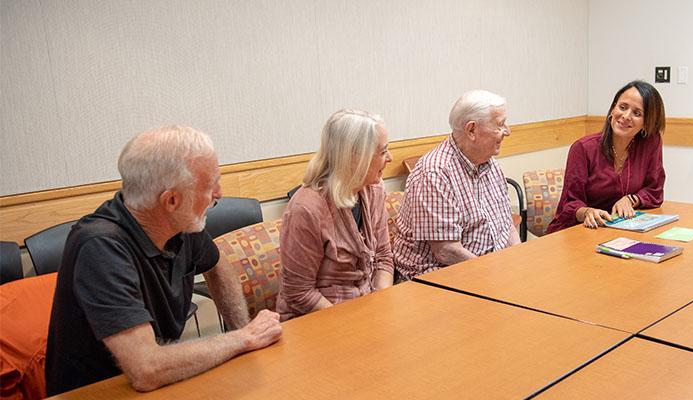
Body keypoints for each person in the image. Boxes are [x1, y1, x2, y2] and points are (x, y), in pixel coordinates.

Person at [45, 126, 282, 395]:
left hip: (160, 384)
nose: (219, 193)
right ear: (171, 200)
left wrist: (242, 327)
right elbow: (147, 369)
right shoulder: (100, 247)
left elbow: (217, 266)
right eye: (210, 185)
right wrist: (243, 338)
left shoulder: (180, 223)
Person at [276, 109, 394, 319]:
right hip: (318, 318)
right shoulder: (306, 209)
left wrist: (379, 306)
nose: (390, 158)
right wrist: (351, 322)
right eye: (383, 151)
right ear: (356, 157)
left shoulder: (374, 189)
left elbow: (384, 257)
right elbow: (299, 292)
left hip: (365, 310)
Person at [393, 90, 519, 280]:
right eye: (500, 125)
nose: (507, 131)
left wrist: (518, 260)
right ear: (471, 130)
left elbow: (506, 224)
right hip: (441, 277)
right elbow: (446, 251)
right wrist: (493, 275)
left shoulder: (490, 163)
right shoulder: (435, 173)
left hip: (486, 269)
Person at [546, 80, 666, 234]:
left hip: (618, 230)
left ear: (647, 122)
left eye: (637, 113)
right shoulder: (583, 148)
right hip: (577, 232)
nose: (626, 116)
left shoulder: (651, 142)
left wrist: (630, 199)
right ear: (612, 109)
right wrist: (588, 212)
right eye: (622, 107)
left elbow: (655, 190)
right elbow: (569, 204)